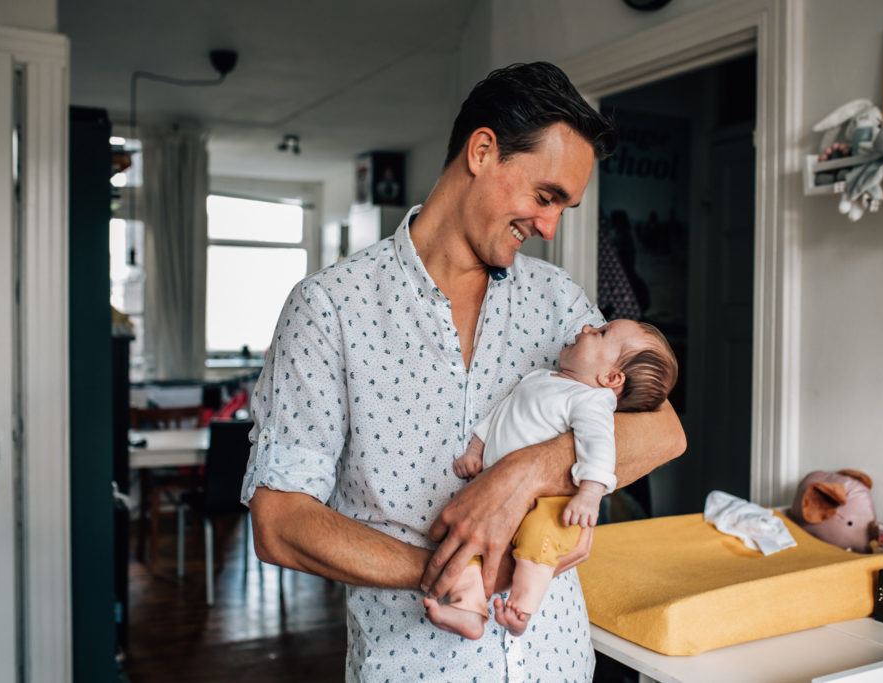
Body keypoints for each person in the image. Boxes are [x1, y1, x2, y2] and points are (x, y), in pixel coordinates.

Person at [242, 61, 686, 681]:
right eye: (545, 195)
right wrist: (455, 568)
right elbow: (280, 522)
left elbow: (665, 430)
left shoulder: (561, 304)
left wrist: (522, 478)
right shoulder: (330, 309)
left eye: (565, 206)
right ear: (482, 151)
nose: (550, 226)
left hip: (558, 665)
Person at [425, 319, 678, 639]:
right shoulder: (539, 378)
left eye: (600, 333)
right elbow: (500, 416)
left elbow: (600, 448)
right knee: (466, 541)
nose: (586, 327)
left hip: (548, 503)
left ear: (611, 378)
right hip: (492, 497)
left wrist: (589, 494)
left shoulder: (592, 400)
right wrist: (476, 451)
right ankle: (468, 608)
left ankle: (522, 605)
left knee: (540, 538)